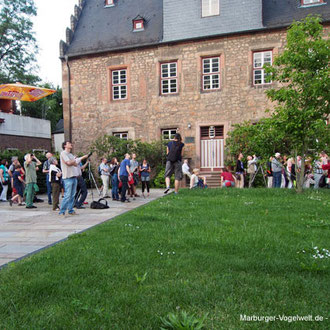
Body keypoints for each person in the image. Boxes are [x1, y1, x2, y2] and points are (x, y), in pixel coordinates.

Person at [59, 141, 89, 216]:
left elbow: (75, 164)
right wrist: (75, 160)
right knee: (67, 195)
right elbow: (68, 163)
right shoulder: (63, 153)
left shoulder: (70, 154)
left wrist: (75, 160)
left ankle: (70, 210)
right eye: (69, 143)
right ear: (65, 146)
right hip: (67, 177)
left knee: (72, 195)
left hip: (74, 177)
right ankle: (62, 211)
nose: (71, 144)